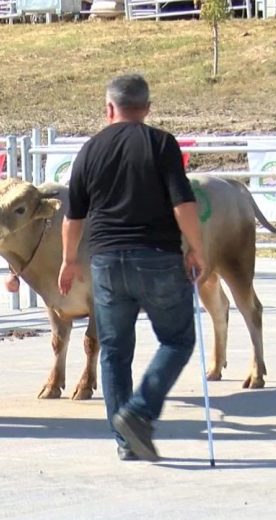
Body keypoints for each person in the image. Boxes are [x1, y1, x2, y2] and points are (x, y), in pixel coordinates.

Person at [57, 73, 206, 462]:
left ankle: (125, 442)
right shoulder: (161, 143)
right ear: (147, 108)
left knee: (114, 351)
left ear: (109, 108)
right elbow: (183, 204)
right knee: (177, 340)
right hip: (157, 258)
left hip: (106, 262)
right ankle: (138, 412)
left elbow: (73, 216)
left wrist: (68, 260)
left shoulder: (90, 149)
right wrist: (196, 248)